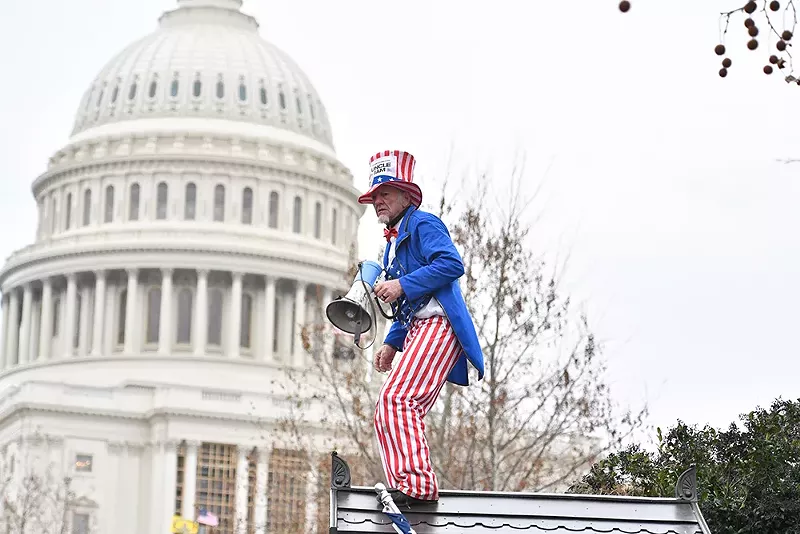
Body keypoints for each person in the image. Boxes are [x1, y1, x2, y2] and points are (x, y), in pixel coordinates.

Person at [358, 150, 485, 508]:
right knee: (387, 406)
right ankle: (407, 485)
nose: (378, 201)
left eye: (385, 193)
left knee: (399, 400)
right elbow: (405, 307)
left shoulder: (423, 224)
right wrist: (391, 343)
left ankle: (418, 486)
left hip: (439, 324)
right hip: (417, 328)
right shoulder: (391, 246)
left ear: (405, 195)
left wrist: (402, 285)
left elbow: (450, 264)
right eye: (375, 196)